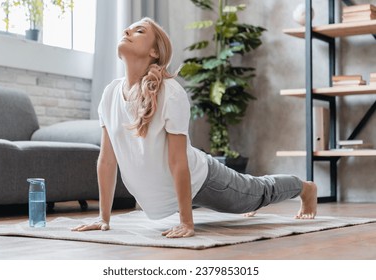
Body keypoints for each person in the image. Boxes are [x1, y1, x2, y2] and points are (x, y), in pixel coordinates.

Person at [72, 17, 317, 238]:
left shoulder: (170, 93)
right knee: (250, 194)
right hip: (170, 194)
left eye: (138, 31)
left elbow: (178, 161)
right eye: (129, 28)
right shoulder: (110, 94)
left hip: (204, 180)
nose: (126, 30)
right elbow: (107, 160)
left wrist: (186, 222)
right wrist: (103, 218)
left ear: (155, 51)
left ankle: (305, 188)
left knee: (256, 194)